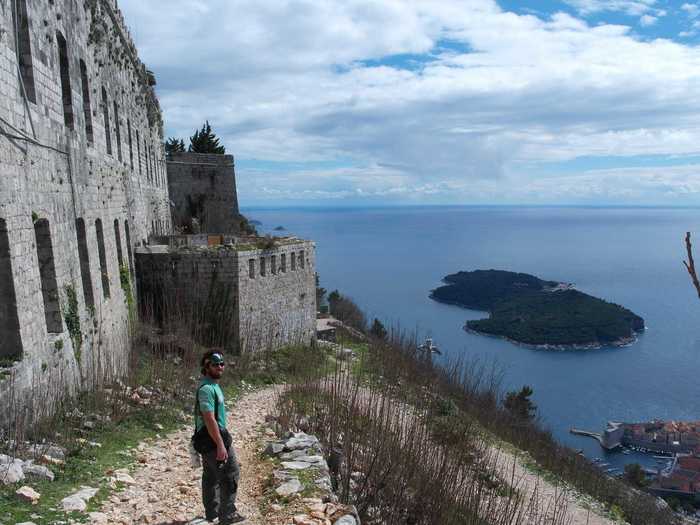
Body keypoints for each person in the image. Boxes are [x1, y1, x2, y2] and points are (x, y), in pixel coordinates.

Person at [194, 351, 244, 524]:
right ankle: (227, 515)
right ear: (206, 367)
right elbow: (209, 418)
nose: (220, 367)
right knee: (231, 473)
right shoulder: (207, 389)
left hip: (211, 440)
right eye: (215, 364)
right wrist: (221, 445)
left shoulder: (214, 386)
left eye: (222, 363)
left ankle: (212, 514)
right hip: (213, 440)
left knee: (210, 476)